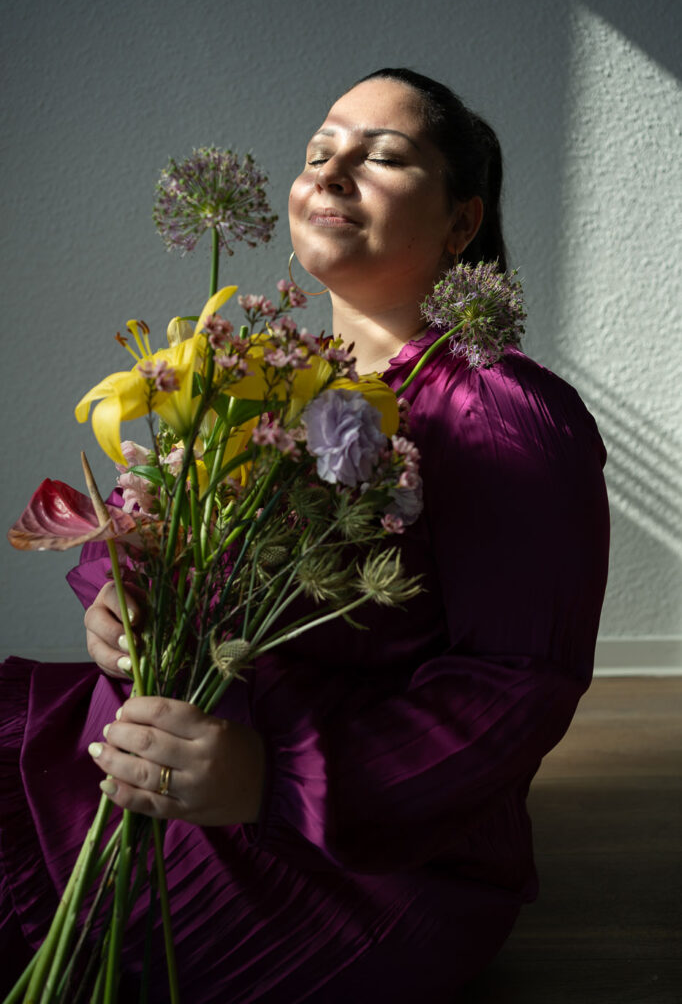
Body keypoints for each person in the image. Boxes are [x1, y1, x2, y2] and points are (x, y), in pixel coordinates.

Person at [0, 68, 609, 1001]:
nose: (331, 171)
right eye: (321, 150)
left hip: (338, 866)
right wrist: (127, 594)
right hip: (130, 761)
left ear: (461, 225)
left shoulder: (501, 414)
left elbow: (516, 686)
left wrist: (273, 778)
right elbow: (149, 522)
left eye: (385, 157)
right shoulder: (256, 372)